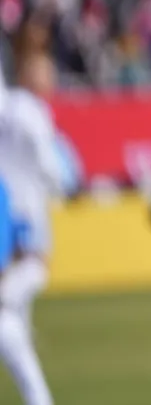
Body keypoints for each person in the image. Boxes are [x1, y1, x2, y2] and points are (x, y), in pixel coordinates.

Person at [0, 43, 73, 405]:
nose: (52, 78)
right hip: (26, 204)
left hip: (9, 201)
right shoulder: (32, 110)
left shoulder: (9, 107)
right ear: (31, 76)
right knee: (33, 269)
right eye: (46, 71)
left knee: (19, 273)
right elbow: (47, 161)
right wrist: (62, 184)